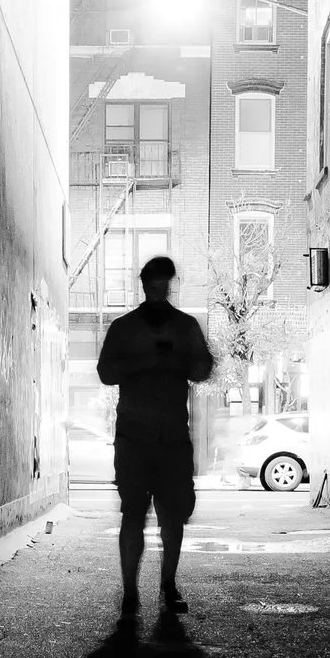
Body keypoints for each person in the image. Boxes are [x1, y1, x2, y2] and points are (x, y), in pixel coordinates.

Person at [95, 255, 214, 621]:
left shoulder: (180, 326)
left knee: (169, 516)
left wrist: (173, 360)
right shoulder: (130, 327)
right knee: (136, 514)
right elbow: (105, 372)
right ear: (146, 285)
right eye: (155, 283)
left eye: (163, 283)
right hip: (141, 437)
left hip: (165, 437)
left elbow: (204, 368)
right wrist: (148, 360)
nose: (159, 288)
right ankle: (135, 591)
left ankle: (163, 586)